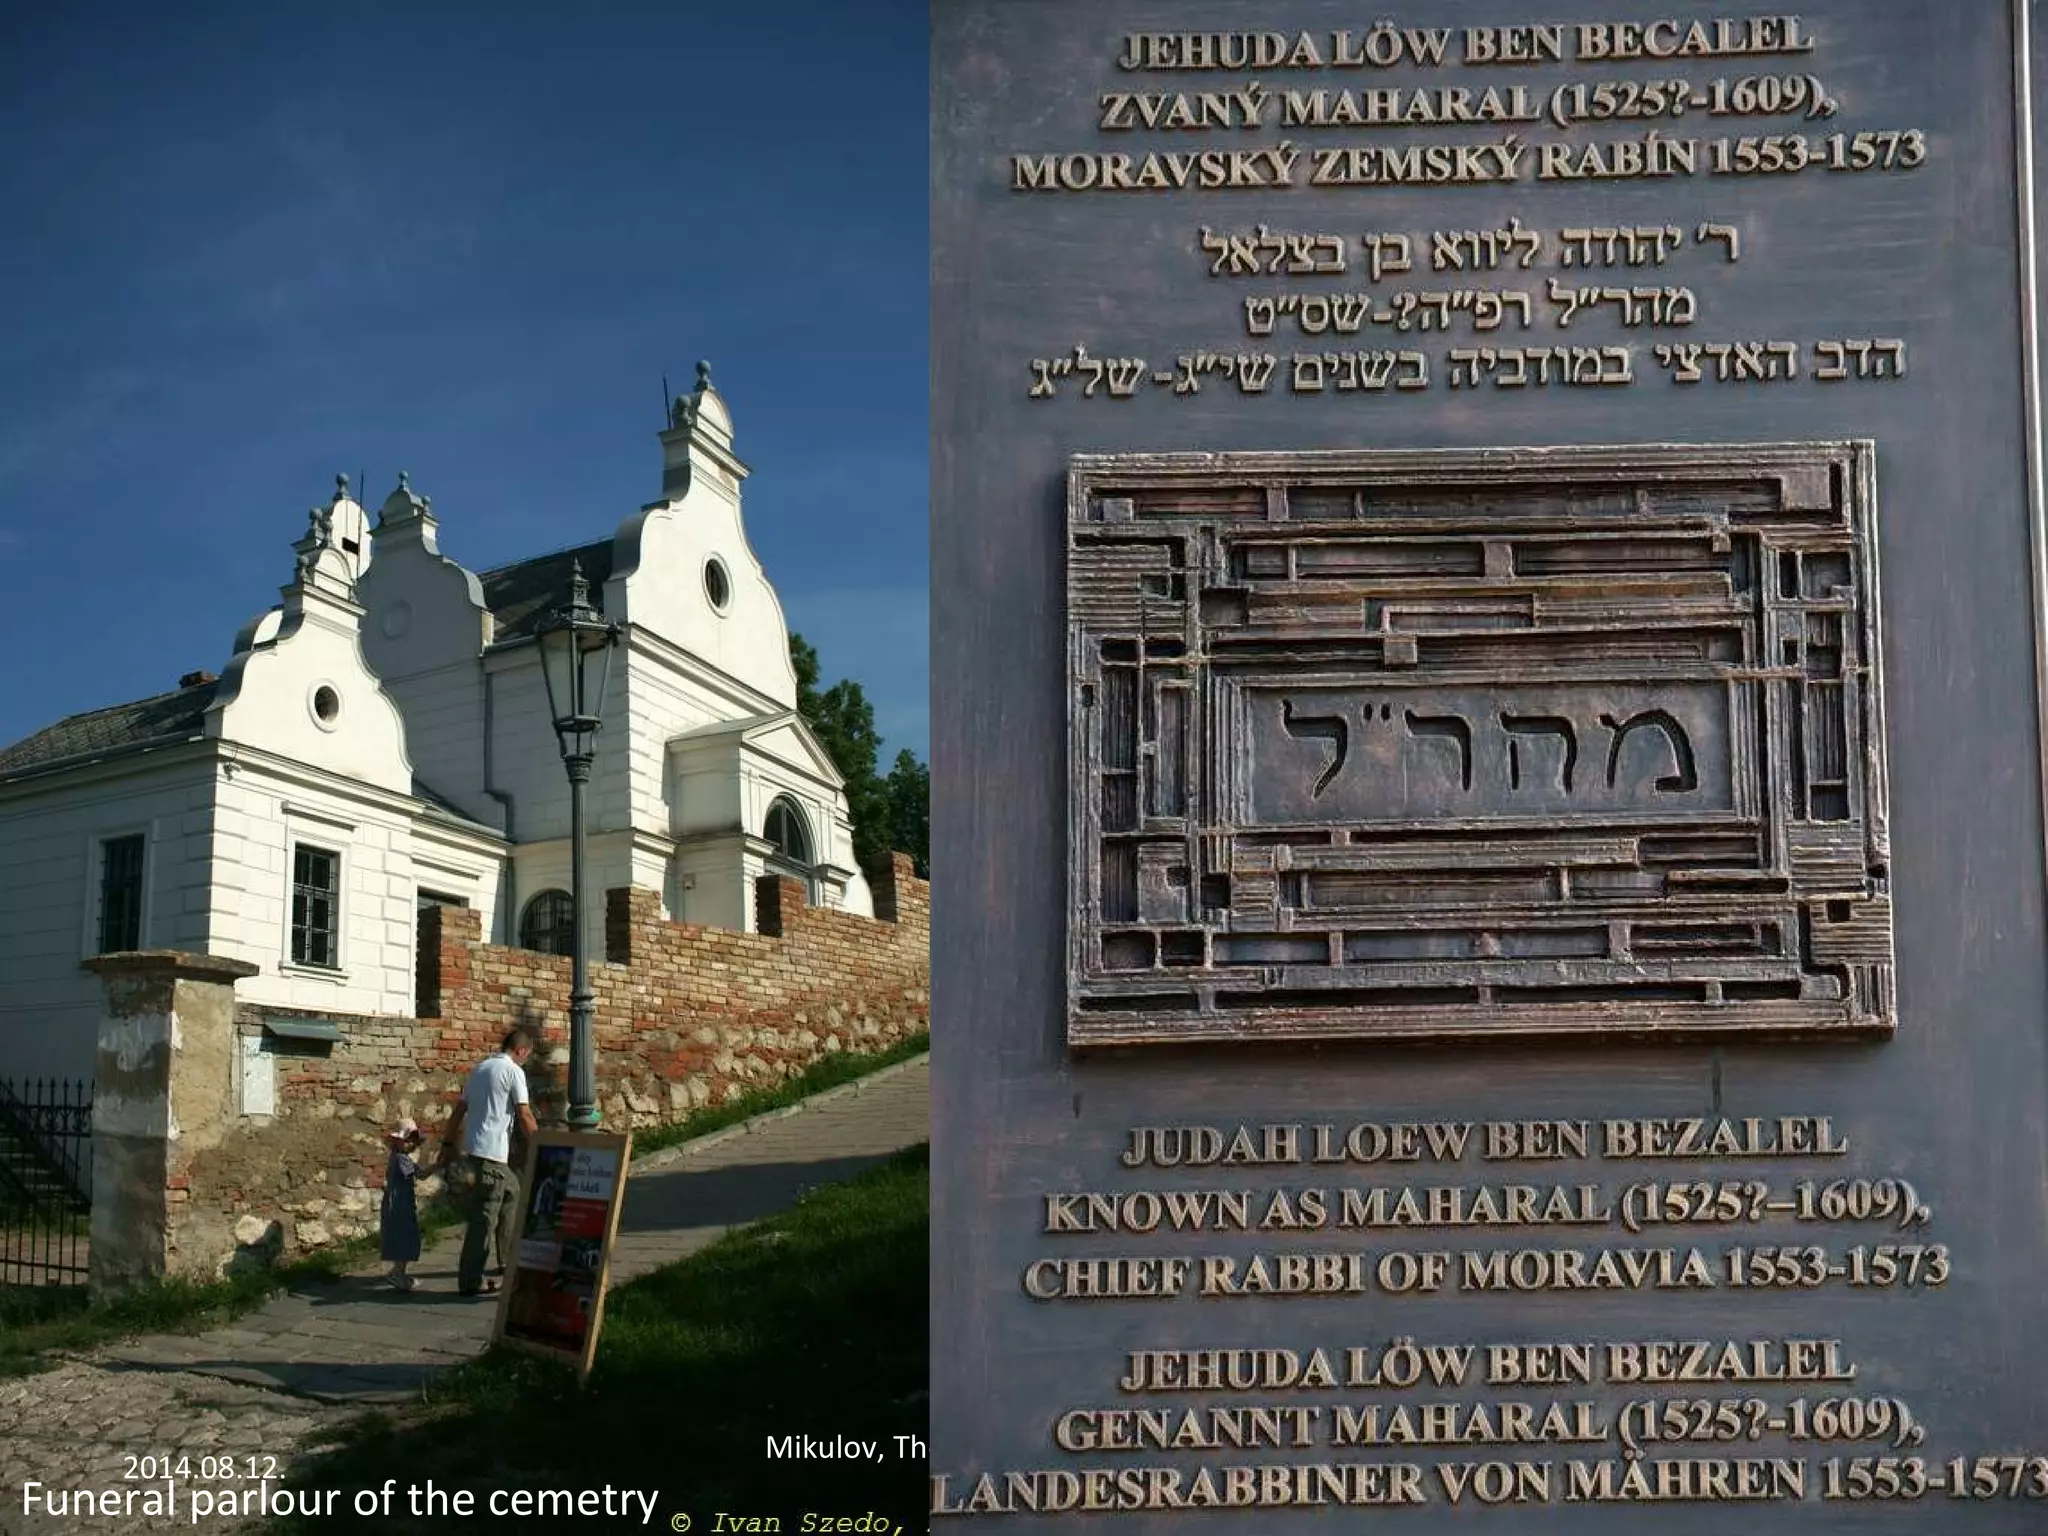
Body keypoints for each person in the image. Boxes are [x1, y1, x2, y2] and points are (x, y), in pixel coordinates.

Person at [440, 1026, 538, 1296]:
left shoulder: (480, 1069)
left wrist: (448, 1144)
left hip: (475, 1151)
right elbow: (525, 1114)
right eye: (526, 1056)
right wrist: (543, 1144)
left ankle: (506, 1259)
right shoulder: (513, 1071)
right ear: (521, 1051)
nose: (525, 1060)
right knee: (483, 1218)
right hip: (492, 1153)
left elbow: (459, 1110)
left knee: (513, 1192)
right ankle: (470, 1281)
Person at [380, 1119, 424, 1292]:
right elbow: (419, 1174)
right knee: (404, 1236)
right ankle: (398, 1272)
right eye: (407, 1140)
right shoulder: (401, 1159)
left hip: (400, 1202)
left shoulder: (400, 1157)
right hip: (399, 1203)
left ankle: (398, 1271)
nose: (410, 1144)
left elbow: (420, 1174)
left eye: (413, 1140)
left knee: (403, 1235)